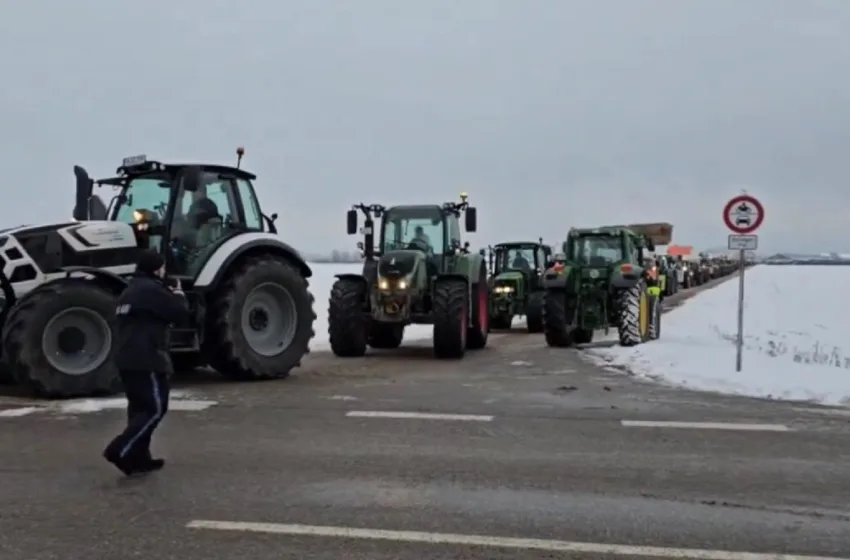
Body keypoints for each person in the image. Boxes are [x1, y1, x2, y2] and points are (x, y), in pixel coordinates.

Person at [103, 250, 191, 476]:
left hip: (127, 358)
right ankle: (120, 449)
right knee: (154, 408)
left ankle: (139, 458)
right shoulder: (152, 290)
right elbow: (180, 314)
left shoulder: (129, 290)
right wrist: (179, 293)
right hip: (147, 358)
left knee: (138, 408)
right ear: (156, 268)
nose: (164, 272)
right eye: (162, 267)